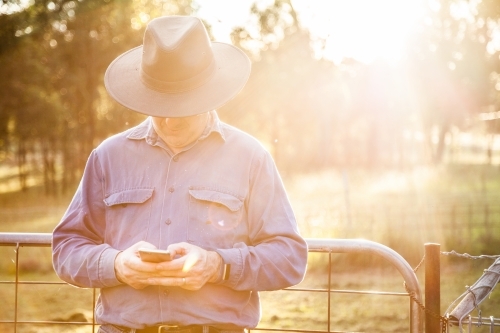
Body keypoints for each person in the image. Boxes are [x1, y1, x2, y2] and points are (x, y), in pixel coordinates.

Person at [52, 15, 308, 333]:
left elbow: (290, 258)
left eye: (183, 106)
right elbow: (66, 247)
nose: (171, 121)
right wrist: (116, 265)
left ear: (210, 92)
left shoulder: (250, 157)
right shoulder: (107, 157)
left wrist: (219, 265)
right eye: (160, 105)